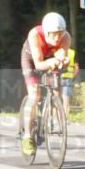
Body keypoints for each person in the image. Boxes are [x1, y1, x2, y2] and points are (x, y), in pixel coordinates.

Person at [20, 12, 71, 155]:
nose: (57, 38)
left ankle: (53, 115)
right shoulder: (34, 35)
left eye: (59, 33)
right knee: (34, 95)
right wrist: (51, 62)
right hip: (32, 60)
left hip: (49, 59)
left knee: (57, 90)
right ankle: (27, 136)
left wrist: (63, 62)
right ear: (46, 32)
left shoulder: (66, 37)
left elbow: (62, 55)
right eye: (53, 34)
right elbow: (38, 64)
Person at [61, 47, 79, 116]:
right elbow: (76, 68)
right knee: (66, 97)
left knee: (57, 97)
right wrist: (72, 76)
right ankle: (64, 117)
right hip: (68, 78)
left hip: (57, 76)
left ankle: (55, 117)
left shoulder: (57, 51)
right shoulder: (73, 52)